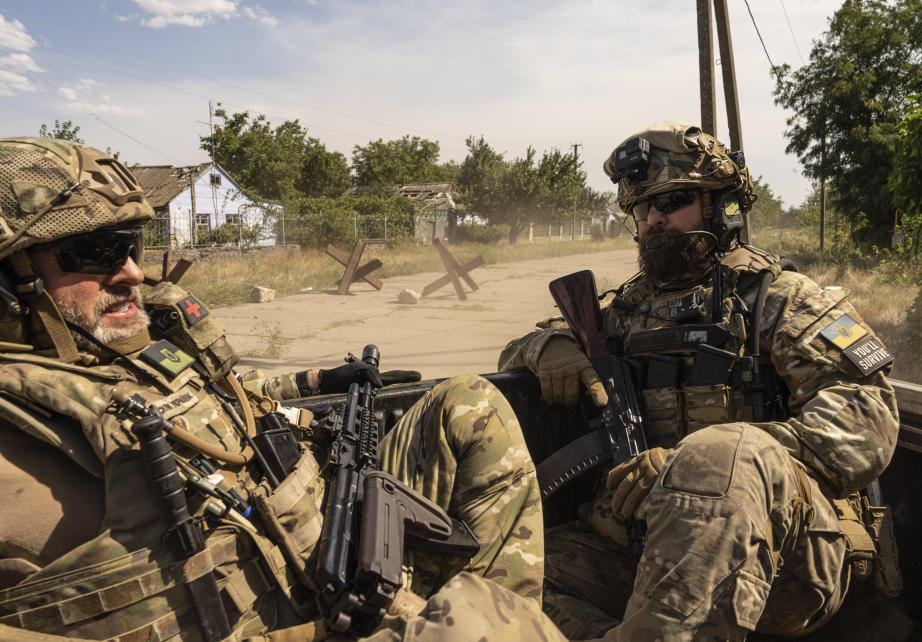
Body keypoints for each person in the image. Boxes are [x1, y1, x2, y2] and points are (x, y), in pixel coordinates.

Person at [0, 137, 563, 641]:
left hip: (329, 542)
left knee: (470, 402)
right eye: (95, 253)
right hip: (290, 616)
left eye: (131, 245)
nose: (132, 273)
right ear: (9, 283)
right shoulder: (21, 427)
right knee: (485, 624)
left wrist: (317, 381)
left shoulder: (117, 347)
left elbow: (222, 391)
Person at [499, 121, 900, 640]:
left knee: (721, 455)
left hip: (779, 556)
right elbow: (527, 344)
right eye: (643, 208)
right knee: (502, 582)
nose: (657, 218)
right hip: (633, 543)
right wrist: (544, 346)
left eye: (676, 200)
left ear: (716, 204)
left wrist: (688, 467)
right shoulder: (622, 311)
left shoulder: (779, 299)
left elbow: (867, 417)